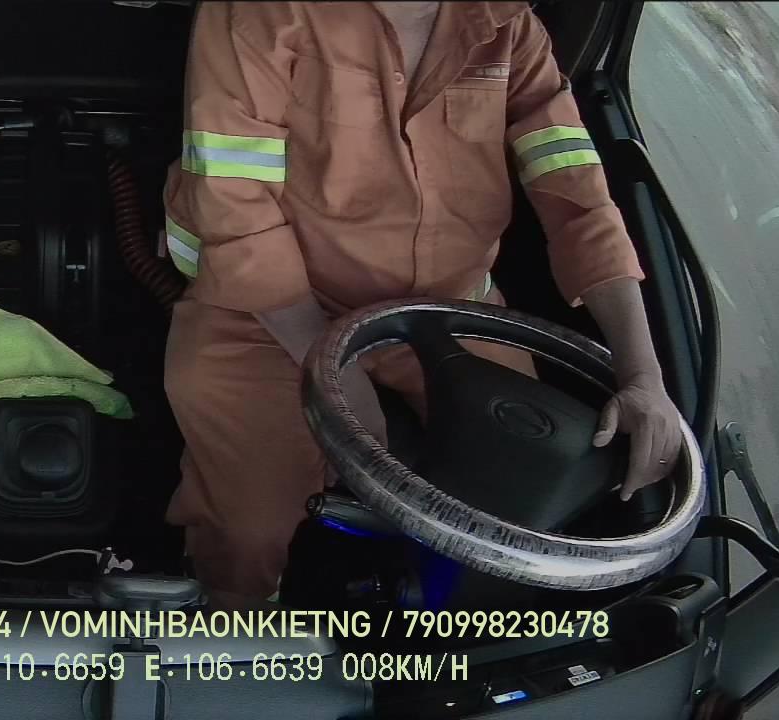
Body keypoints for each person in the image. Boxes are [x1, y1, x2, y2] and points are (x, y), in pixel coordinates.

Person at [161, 1, 684, 608]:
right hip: (268, 314)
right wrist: (334, 376)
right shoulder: (260, 13)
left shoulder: (509, 27)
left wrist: (643, 377)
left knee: (521, 513)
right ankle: (236, 625)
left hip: (451, 314)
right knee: (248, 531)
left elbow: (577, 197)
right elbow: (232, 203)